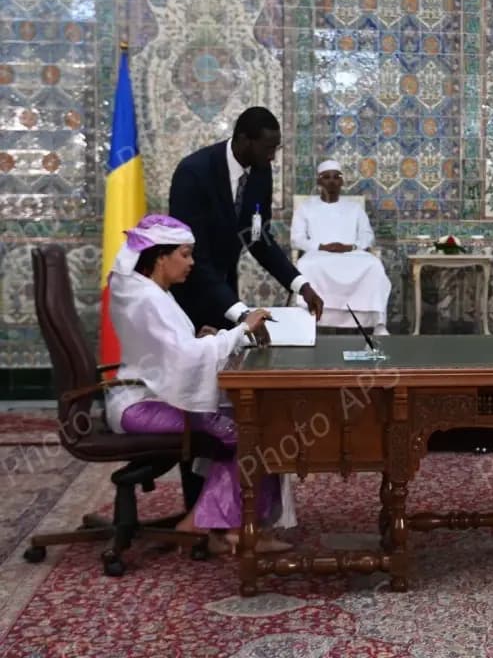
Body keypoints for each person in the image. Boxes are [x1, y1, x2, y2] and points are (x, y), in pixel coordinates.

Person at [104, 215, 290, 553]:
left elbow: (172, 350)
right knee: (252, 434)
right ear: (161, 256)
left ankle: (213, 523)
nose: (192, 263)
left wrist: (205, 339)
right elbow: (184, 357)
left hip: (148, 395)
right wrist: (241, 330)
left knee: (250, 425)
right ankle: (224, 528)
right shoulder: (148, 298)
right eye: (185, 254)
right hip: (141, 405)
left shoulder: (148, 291)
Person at [169, 107, 324, 340]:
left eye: (276, 148)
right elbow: (194, 254)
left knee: (231, 360)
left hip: (226, 291)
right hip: (191, 292)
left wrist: (301, 285)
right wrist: (242, 314)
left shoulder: (261, 171)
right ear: (243, 140)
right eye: (268, 148)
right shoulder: (194, 172)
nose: (272, 156)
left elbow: (257, 237)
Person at [290, 160, 391, 333]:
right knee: (305, 265)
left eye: (336, 177)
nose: (332, 181)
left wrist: (350, 247)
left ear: (342, 181)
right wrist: (321, 246)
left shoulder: (354, 208)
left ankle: (378, 324)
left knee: (374, 265)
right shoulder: (306, 208)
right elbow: (296, 239)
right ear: (319, 181)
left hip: (352, 254)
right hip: (318, 254)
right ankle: (306, 323)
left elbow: (367, 235)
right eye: (326, 177)